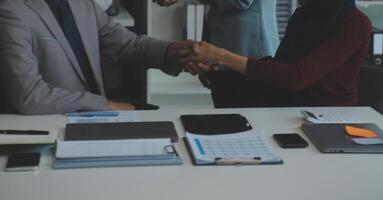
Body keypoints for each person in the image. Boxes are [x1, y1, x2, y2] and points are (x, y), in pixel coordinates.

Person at [0, 0, 195, 114]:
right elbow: (29, 95)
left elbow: (129, 45)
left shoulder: (83, 4)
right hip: (54, 124)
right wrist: (104, 105)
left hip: (95, 119)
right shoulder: (11, 11)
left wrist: (177, 52)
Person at [188, 0, 372, 107]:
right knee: (225, 86)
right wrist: (213, 68)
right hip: (291, 106)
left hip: (330, 114)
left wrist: (222, 56)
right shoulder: (304, 15)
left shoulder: (356, 23)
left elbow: (297, 76)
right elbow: (281, 68)